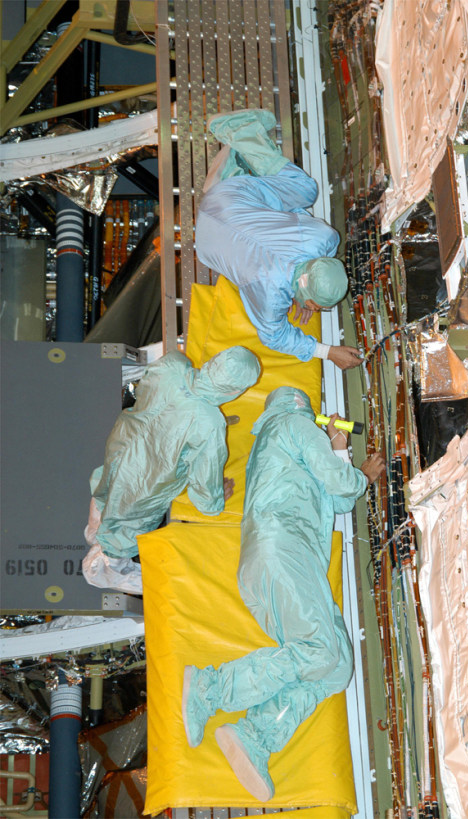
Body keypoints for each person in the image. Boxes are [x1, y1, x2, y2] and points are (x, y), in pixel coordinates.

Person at [181, 386, 384, 801]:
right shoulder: (294, 424)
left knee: (336, 666)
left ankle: (254, 734)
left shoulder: (271, 443)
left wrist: (337, 451)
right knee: (318, 650)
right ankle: (211, 689)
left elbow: (336, 501)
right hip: (283, 552)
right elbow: (344, 487)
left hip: (272, 562)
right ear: (302, 408)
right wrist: (360, 472)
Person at [82, 346, 261, 594]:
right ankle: (107, 564)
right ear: (234, 391)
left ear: (213, 361)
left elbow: (156, 380)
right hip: (144, 483)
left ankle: (96, 528)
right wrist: (215, 499)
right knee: (125, 523)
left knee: (107, 486)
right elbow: (205, 494)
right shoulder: (208, 424)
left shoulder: (173, 365)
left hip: (121, 447)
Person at [195, 109, 364, 371]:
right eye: (317, 307)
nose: (315, 311)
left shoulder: (324, 239)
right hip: (208, 236)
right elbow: (274, 337)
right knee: (305, 192)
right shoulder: (272, 295)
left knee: (305, 191)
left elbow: (292, 215)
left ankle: (236, 170)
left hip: (229, 201)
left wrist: (303, 292)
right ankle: (239, 129)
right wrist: (328, 352)